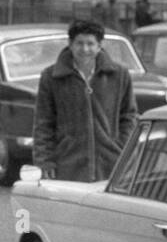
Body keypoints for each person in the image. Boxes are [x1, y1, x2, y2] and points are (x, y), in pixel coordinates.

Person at [33, 19, 138, 181]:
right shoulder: (51, 77)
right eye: (79, 43)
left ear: (100, 45)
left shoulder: (119, 75)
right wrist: (44, 161)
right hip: (67, 165)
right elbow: (43, 122)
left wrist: (122, 149)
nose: (85, 49)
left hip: (110, 164)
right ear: (70, 43)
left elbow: (129, 117)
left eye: (90, 44)